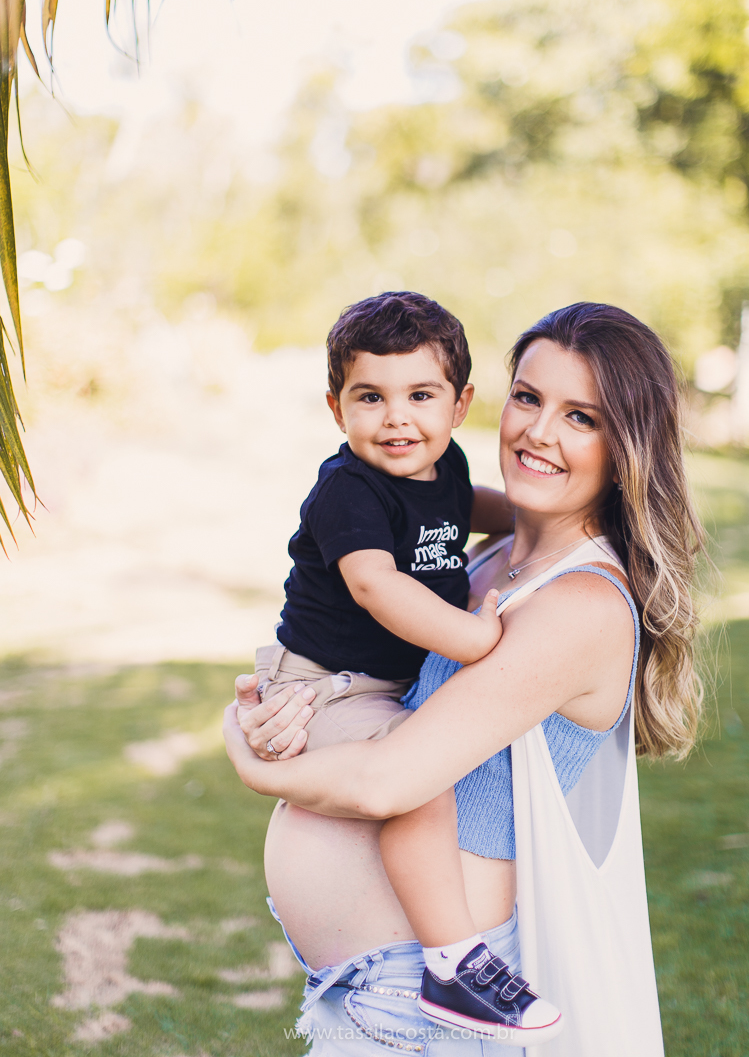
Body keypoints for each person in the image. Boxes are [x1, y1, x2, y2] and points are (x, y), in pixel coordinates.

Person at [224, 302, 706, 1057]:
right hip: (374, 992)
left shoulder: (581, 604)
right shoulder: (485, 559)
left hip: (420, 1006)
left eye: (581, 417)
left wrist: (252, 765)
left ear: (627, 447)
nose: (539, 432)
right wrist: (272, 711)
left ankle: (458, 965)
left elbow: (389, 781)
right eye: (529, 398)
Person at [236, 291, 561, 1042]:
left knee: (420, 767)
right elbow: (374, 585)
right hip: (326, 685)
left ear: (460, 404)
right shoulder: (347, 491)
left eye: (420, 395)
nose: (397, 419)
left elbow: (467, 508)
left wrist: (538, 517)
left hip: (372, 682)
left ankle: (452, 959)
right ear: (335, 408)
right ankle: (452, 964)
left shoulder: (444, 466)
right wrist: (471, 639)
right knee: (416, 778)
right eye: (369, 398)